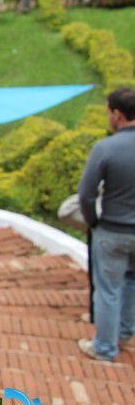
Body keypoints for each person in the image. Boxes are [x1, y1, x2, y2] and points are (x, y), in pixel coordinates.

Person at [77, 88, 135, 362]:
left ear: (117, 114)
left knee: (108, 290)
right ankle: (124, 334)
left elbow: (86, 193)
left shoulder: (106, 148)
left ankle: (104, 347)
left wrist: (92, 220)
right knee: (132, 282)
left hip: (113, 230)